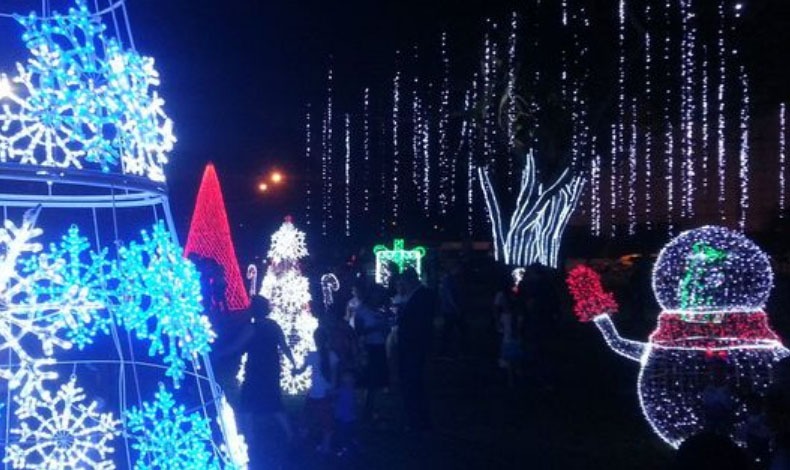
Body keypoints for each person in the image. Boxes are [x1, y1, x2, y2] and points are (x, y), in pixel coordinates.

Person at [224, 296, 296, 464]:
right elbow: (284, 346)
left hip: (256, 370)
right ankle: (289, 433)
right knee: (273, 401)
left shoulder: (252, 328)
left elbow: (236, 346)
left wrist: (220, 353)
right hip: (271, 369)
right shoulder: (274, 326)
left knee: (248, 402)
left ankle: (249, 437)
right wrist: (293, 363)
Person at [396, 268, 434, 432]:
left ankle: (416, 421)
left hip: (414, 346)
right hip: (414, 345)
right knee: (415, 383)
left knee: (413, 383)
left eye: (403, 282)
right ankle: (418, 419)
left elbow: (419, 323)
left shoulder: (421, 296)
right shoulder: (419, 295)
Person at [293, 328, 338, 454]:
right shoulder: (333, 356)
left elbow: (300, 371)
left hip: (314, 395)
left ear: (315, 340)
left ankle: (300, 444)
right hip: (326, 395)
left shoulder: (312, 355)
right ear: (327, 340)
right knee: (327, 422)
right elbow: (334, 378)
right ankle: (326, 447)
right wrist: (332, 391)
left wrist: (294, 371)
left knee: (306, 418)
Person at [355, 284, 390, 420]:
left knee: (379, 381)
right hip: (369, 348)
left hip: (380, 346)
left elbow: (386, 328)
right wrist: (373, 330)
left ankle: (375, 409)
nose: (379, 297)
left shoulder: (380, 310)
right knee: (370, 381)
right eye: (377, 294)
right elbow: (358, 332)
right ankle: (367, 409)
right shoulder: (362, 310)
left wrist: (384, 328)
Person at [334, 368, 358, 456]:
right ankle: (349, 446)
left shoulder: (347, 390)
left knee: (344, 434)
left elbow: (351, 404)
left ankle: (345, 448)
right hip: (345, 417)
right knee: (346, 433)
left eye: (348, 377)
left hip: (345, 417)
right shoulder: (346, 389)